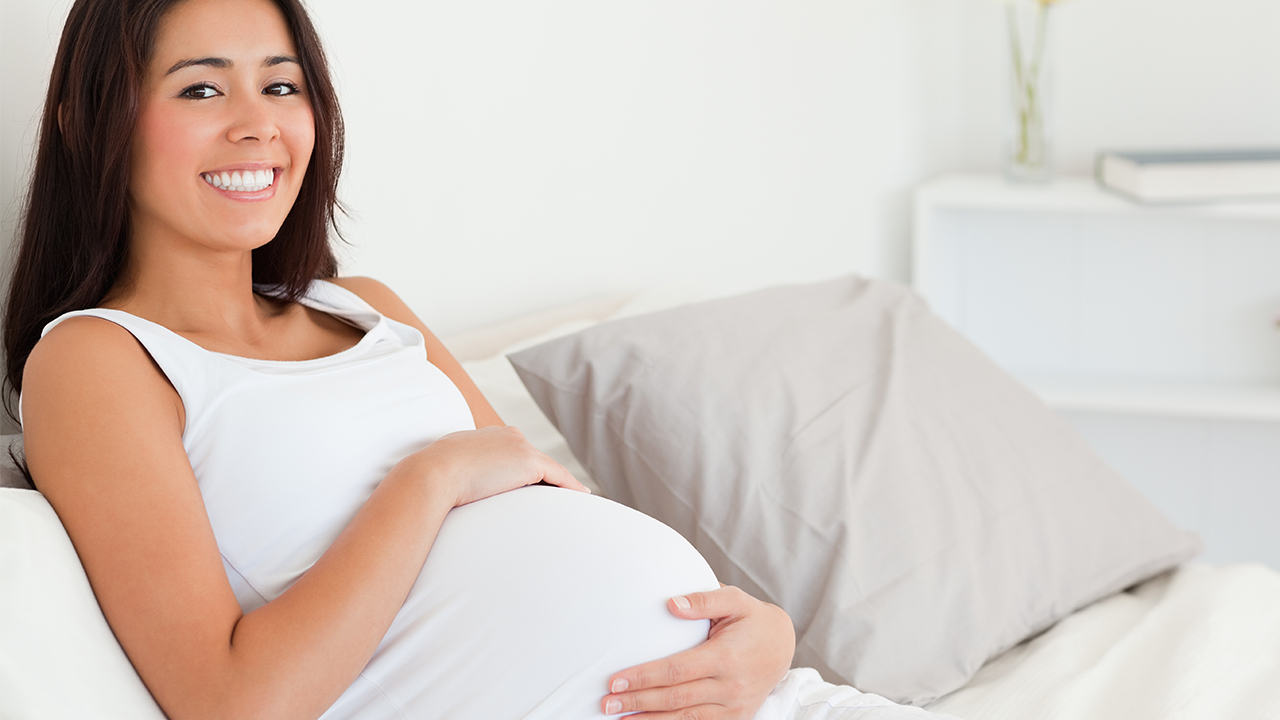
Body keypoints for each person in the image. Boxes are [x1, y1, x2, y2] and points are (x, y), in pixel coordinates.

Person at [4, 0, 958, 718]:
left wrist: (758, 637)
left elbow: (560, 508)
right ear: (93, 121)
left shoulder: (366, 310)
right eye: (202, 87)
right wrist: (433, 475)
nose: (258, 124)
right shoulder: (97, 361)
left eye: (282, 84)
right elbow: (231, 702)